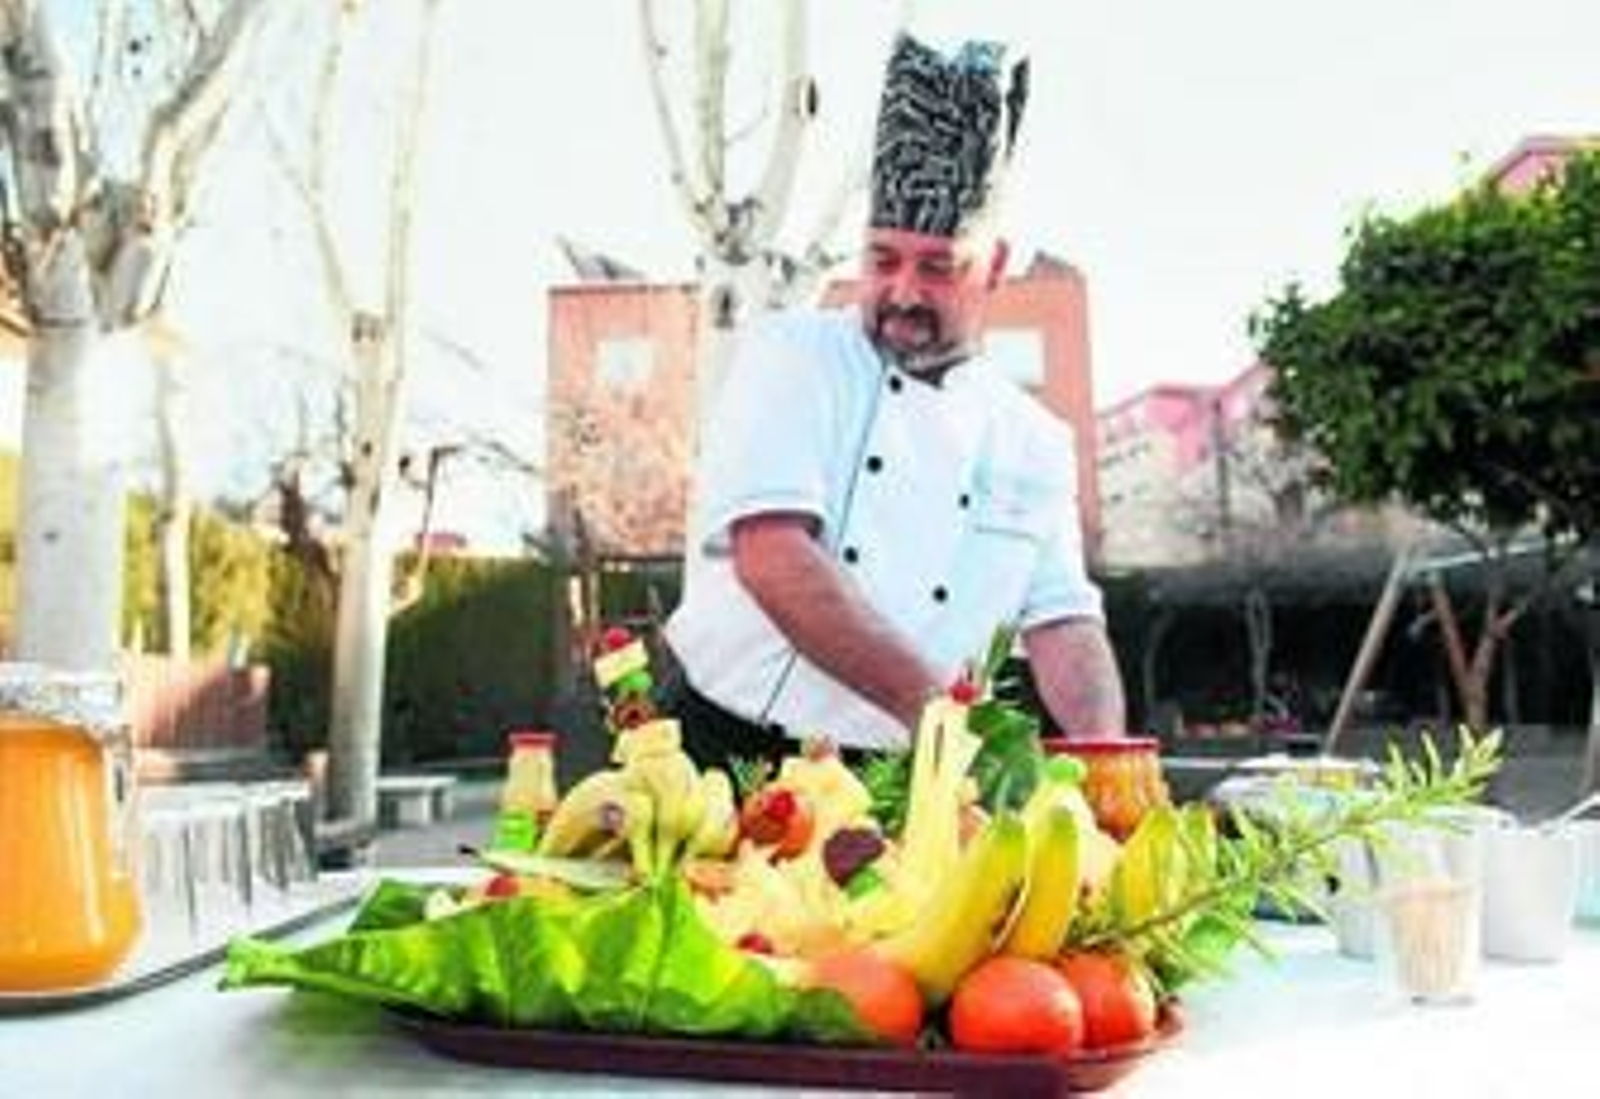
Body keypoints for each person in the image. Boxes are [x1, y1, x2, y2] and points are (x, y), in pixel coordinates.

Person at [661, 32, 1126, 768]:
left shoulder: (1032, 438)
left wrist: (1110, 759)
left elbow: (1064, 619)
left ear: (994, 265)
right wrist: (938, 716)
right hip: (727, 752)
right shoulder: (792, 355)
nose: (904, 291)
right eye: (883, 258)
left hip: (905, 771)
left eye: (938, 267)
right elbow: (773, 555)